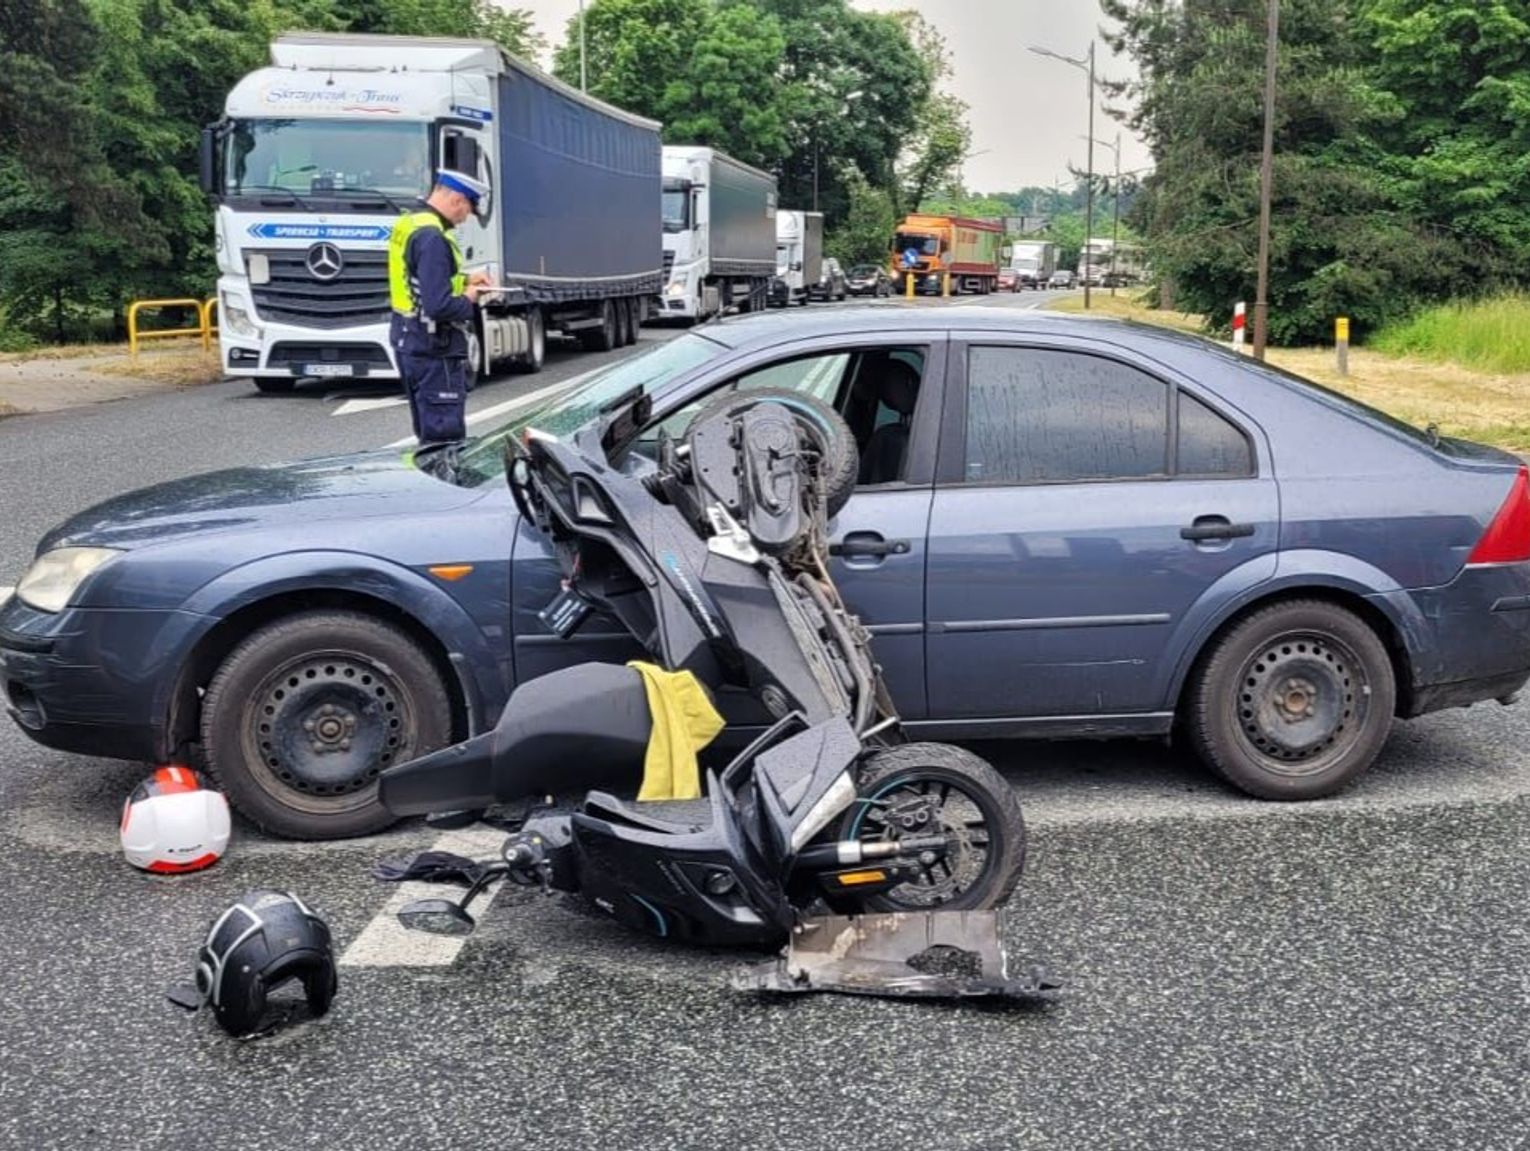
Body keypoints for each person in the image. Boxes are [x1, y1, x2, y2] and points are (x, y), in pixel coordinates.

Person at [387, 169, 493, 445]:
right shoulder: (433, 237)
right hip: (434, 346)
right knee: (443, 442)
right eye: (468, 209)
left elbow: (416, 279)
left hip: (409, 339)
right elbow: (438, 305)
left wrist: (467, 278)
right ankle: (444, 488)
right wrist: (469, 297)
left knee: (427, 434)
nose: (465, 218)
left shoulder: (410, 224)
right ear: (457, 200)